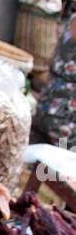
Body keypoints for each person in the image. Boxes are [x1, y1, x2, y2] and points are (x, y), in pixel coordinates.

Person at [34, 12, 76, 149]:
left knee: (45, 156)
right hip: (61, 124)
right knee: (61, 155)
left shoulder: (70, 25)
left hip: (47, 110)